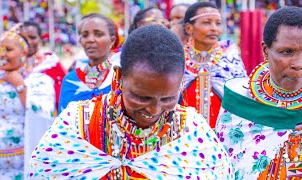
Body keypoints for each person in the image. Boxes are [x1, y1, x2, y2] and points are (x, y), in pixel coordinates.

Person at [28, 25, 233, 179]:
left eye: (168, 98)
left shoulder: (192, 130)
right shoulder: (77, 124)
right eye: (142, 97)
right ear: (118, 78)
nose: (154, 109)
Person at [215, 6, 302, 179]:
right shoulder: (239, 101)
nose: (298, 63)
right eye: (287, 52)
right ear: (265, 51)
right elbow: (224, 169)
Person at [0, 24, 55, 179]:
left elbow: (44, 115)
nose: (1, 54)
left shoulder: (39, 81)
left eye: (8, 50)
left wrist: (19, 85)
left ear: (24, 53)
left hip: (24, 168)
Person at [181, 2, 247, 128]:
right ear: (189, 28)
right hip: (183, 136)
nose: (214, 28)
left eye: (218, 23)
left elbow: (241, 101)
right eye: (207, 22)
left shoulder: (230, 59)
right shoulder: (178, 60)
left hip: (222, 134)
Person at [58, 13, 119, 113]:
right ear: (81, 41)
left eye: (98, 34)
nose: (90, 40)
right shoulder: (71, 80)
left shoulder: (121, 77)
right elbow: (61, 123)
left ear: (112, 41)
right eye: (85, 35)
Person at [22, 21, 66, 111]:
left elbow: (62, 98)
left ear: (40, 39)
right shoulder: (11, 66)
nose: (29, 42)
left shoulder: (51, 64)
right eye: (24, 38)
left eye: (32, 37)